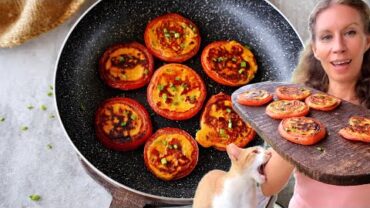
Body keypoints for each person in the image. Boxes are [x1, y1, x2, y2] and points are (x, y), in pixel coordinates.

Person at [261, 0, 370, 207]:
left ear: (367, 40)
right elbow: (269, 186)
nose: (338, 47)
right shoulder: (296, 109)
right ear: (316, 49)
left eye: (350, 33)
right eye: (327, 37)